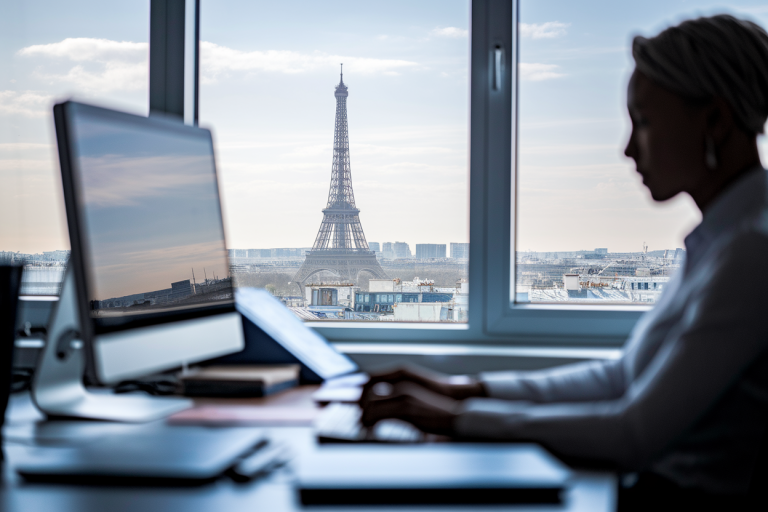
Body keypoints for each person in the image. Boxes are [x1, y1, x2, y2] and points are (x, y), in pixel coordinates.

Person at [359, 14, 768, 510]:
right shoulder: (725, 238)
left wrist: (452, 418)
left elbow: (632, 432)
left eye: (644, 122)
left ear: (715, 121)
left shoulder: (750, 253)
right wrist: (463, 389)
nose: (627, 148)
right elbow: (622, 378)